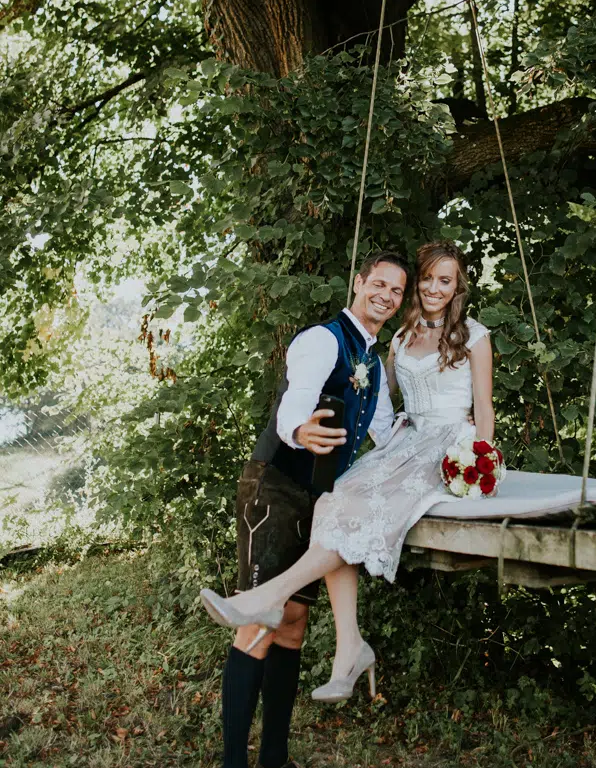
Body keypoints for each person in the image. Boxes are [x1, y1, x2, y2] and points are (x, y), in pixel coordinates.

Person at [201, 240, 493, 702]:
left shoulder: (474, 335)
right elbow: (375, 408)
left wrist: (480, 460)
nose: (433, 288)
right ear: (366, 284)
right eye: (426, 278)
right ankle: (349, 646)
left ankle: (267, 599)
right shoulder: (394, 342)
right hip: (401, 440)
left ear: (457, 287)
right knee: (338, 500)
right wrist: (309, 429)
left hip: (450, 445)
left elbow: (485, 407)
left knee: (348, 508)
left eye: (446, 280)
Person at [205, 250, 409, 768]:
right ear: (359, 283)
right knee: (261, 623)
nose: (387, 295)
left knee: (294, 625)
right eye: (379, 284)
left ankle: (272, 761)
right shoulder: (322, 339)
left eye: (397, 290)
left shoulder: (373, 355)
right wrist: (298, 430)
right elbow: (297, 399)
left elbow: (385, 427)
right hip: (275, 488)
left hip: (320, 497)